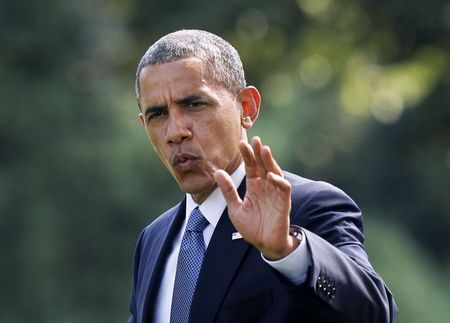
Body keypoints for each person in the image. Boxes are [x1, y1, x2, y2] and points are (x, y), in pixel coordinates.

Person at [127, 29, 397, 323]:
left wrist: (287, 252)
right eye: (158, 115)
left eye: (194, 104)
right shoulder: (153, 239)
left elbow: (374, 314)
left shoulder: (305, 207)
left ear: (247, 107)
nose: (175, 132)